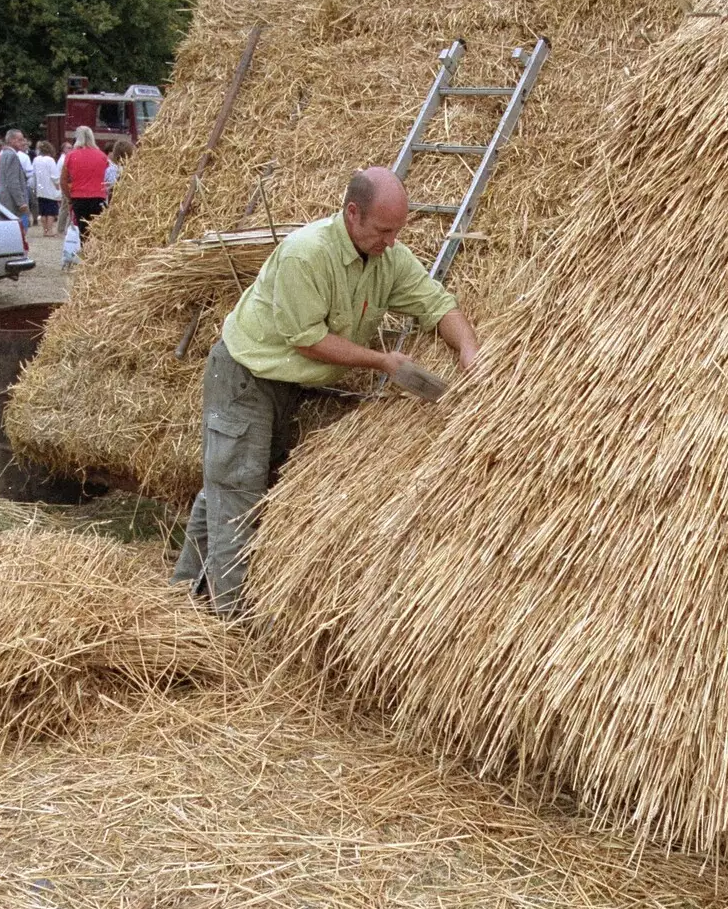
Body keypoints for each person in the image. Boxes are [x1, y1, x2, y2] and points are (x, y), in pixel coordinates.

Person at [172, 166, 481, 616]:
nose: (391, 240)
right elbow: (307, 339)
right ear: (352, 214)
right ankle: (229, 630)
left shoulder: (388, 258)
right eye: (383, 230)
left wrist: (469, 351)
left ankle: (181, 594)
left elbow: (436, 304)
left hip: (290, 383)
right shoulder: (306, 254)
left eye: (398, 230)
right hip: (245, 377)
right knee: (239, 498)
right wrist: (381, 361)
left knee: (231, 485)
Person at [60, 125, 108, 241]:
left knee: (83, 231)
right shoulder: (102, 156)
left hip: (79, 198)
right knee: (96, 231)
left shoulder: (71, 155)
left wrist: (69, 197)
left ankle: (85, 255)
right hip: (98, 197)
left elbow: (63, 181)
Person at [0, 129, 30, 235]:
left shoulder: (4, 154)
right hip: (12, 202)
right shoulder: (12, 156)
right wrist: (21, 202)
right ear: (11, 140)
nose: (23, 142)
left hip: (5, 198)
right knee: (17, 232)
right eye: (20, 140)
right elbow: (13, 181)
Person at [32, 139, 62, 237]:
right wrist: (58, 185)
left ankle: (45, 230)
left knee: (43, 211)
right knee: (51, 211)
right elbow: (54, 176)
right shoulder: (50, 160)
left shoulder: (36, 160)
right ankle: (49, 230)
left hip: (40, 189)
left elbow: (33, 175)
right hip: (50, 189)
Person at [55, 136, 74, 232]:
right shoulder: (64, 160)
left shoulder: (63, 159)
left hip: (64, 185)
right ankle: (63, 228)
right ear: (63, 149)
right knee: (66, 208)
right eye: (69, 148)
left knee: (64, 208)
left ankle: (61, 228)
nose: (71, 149)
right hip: (66, 186)